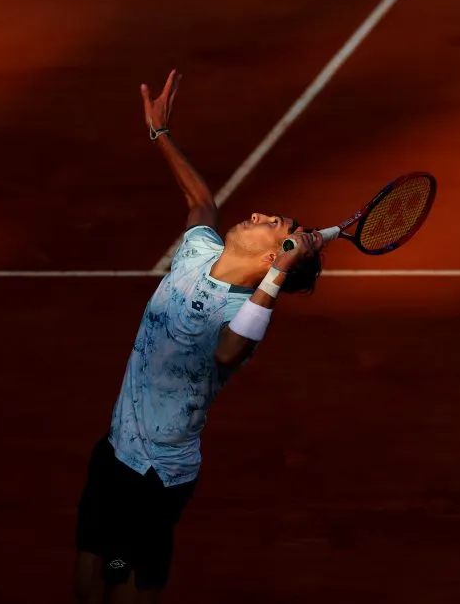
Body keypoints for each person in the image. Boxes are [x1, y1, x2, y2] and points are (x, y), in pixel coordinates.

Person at [72, 70, 326, 603]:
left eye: (272, 223)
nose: (257, 214)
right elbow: (201, 200)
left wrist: (281, 275)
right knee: (92, 574)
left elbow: (230, 350)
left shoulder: (243, 313)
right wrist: (160, 133)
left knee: (127, 584)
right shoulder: (198, 250)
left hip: (155, 477)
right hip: (117, 450)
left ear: (271, 258)